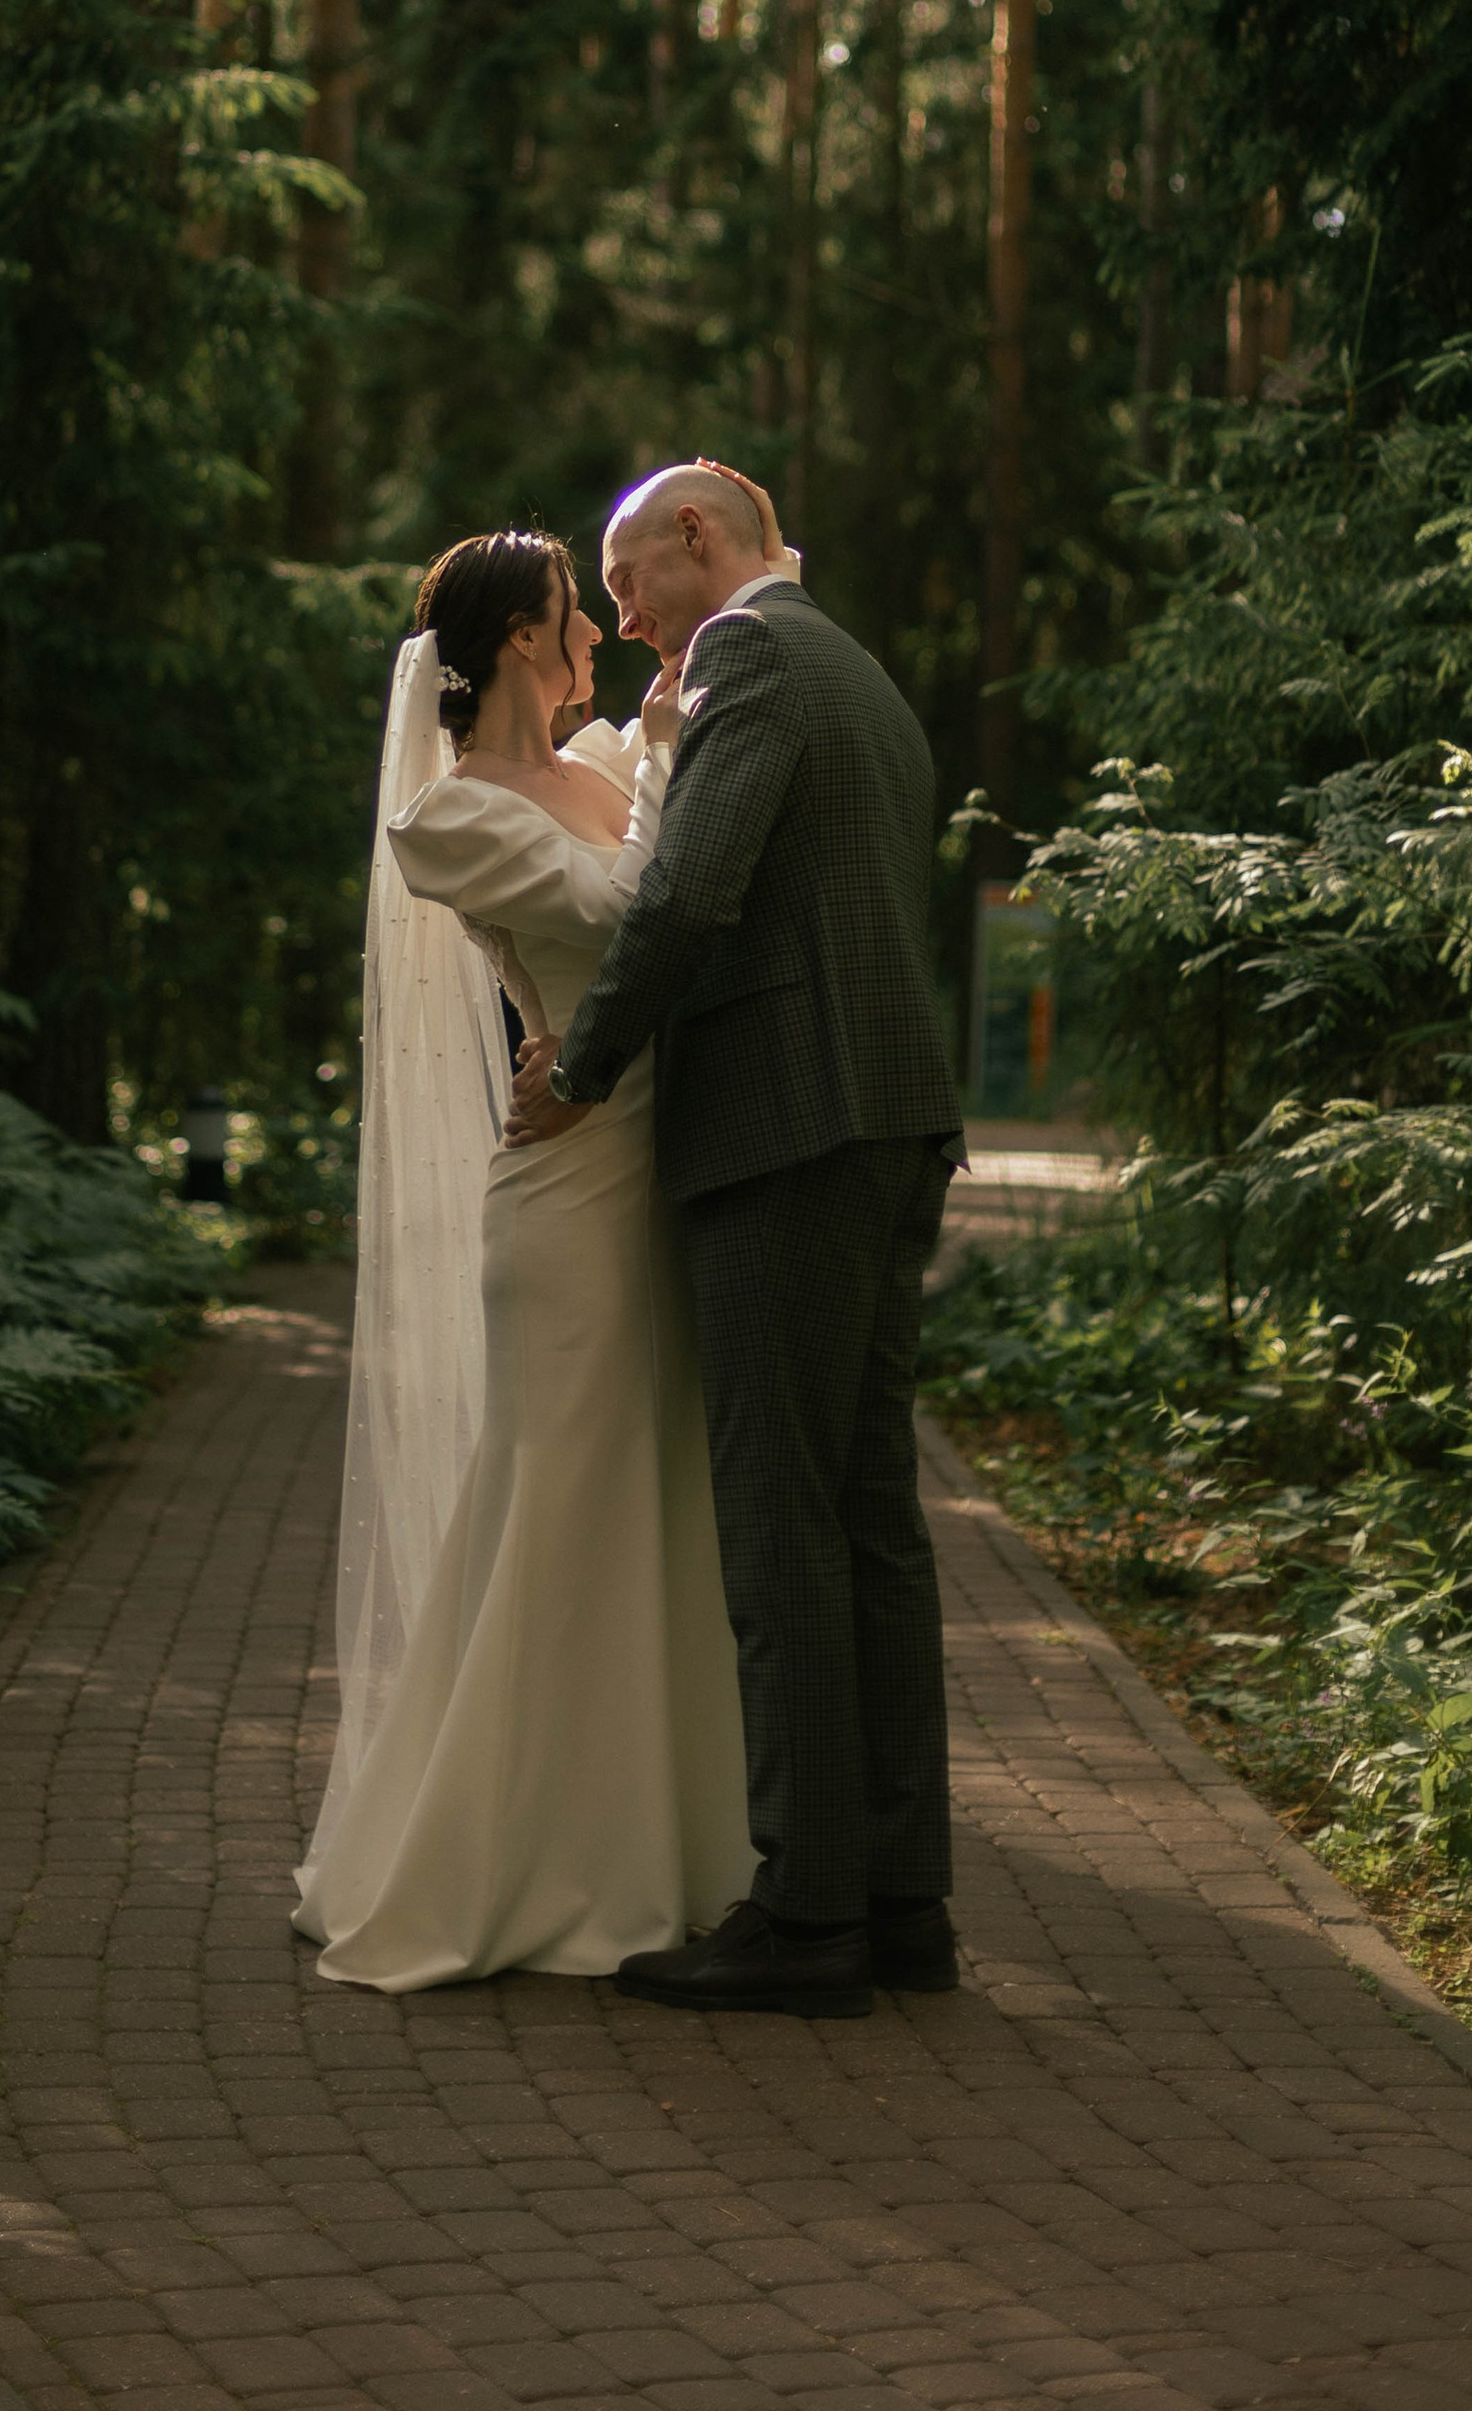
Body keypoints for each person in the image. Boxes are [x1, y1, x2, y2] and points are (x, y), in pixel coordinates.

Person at [505, 462, 966, 2020]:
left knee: (780, 1521)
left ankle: (808, 1913)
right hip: (886, 1117)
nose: (624, 622)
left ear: (700, 539)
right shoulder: (861, 671)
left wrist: (579, 1063)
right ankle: (902, 1902)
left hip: (791, 1123)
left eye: (631, 584)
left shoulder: (751, 655)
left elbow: (695, 893)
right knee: (868, 1520)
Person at [291, 526, 753, 1989]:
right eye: (572, 616)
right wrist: (673, 756)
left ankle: (660, 1846)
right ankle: (503, 1856)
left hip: (652, 1172)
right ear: (508, 645)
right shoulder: (452, 818)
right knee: (555, 1505)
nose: (597, 640)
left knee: (652, 1506)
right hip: (563, 1201)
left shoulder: (607, 765)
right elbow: (626, 917)